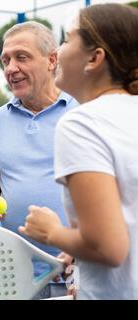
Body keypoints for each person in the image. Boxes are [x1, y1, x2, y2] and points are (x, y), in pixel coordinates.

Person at [19, 3, 138, 300]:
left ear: (94, 58)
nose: (58, 51)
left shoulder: (80, 123)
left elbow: (108, 247)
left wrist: (51, 232)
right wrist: (77, 254)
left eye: (67, 39)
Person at [0, 21, 78, 299]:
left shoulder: (83, 112)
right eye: (6, 60)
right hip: (14, 273)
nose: (10, 68)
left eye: (22, 57)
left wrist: (84, 251)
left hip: (77, 271)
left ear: (51, 60)